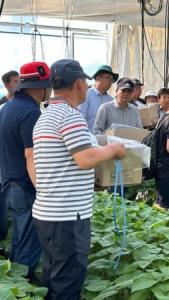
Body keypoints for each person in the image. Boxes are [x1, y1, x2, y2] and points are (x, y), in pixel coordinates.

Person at [32, 59, 126, 300]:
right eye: (85, 80)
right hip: (67, 216)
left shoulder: (46, 115)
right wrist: (114, 150)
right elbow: (85, 158)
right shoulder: (69, 116)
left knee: (55, 276)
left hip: (49, 213)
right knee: (68, 282)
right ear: (79, 83)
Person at [0, 61, 52, 281]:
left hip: (8, 184)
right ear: (41, 87)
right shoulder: (31, 112)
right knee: (29, 242)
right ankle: (23, 287)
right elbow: (31, 155)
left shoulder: (7, 108)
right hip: (25, 185)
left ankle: (16, 282)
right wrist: (43, 190)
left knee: (19, 239)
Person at [78, 65, 119, 133]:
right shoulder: (86, 95)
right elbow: (80, 120)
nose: (110, 82)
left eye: (111, 80)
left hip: (106, 141)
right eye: (108, 78)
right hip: (88, 139)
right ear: (98, 78)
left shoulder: (111, 100)